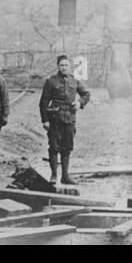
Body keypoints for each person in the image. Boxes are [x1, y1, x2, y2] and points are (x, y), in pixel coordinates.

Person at [39, 55, 92, 186]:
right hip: (55, 119)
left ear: (70, 66)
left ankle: (65, 176)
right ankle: (53, 175)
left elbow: (86, 94)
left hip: (70, 118)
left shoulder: (75, 81)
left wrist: (80, 103)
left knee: (67, 147)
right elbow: (43, 102)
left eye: (66, 65)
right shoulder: (51, 81)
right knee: (54, 147)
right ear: (58, 66)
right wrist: (45, 120)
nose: (63, 68)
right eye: (61, 65)